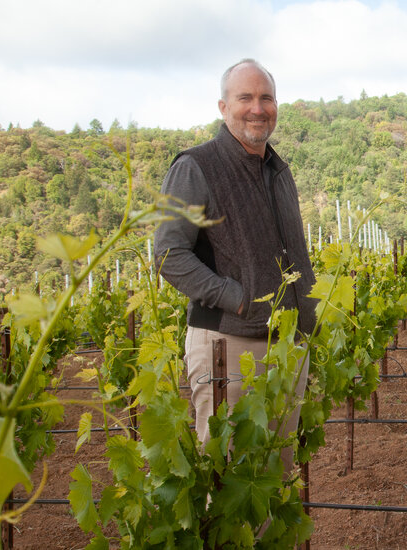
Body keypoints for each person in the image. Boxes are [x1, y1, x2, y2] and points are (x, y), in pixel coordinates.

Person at [154, 59, 316, 473]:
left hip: (286, 345)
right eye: (245, 97)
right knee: (228, 478)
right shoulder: (195, 166)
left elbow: (293, 253)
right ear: (223, 106)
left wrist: (308, 326)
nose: (257, 108)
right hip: (229, 346)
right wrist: (238, 299)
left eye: (266, 98)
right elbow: (168, 254)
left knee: (273, 475)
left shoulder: (279, 172)